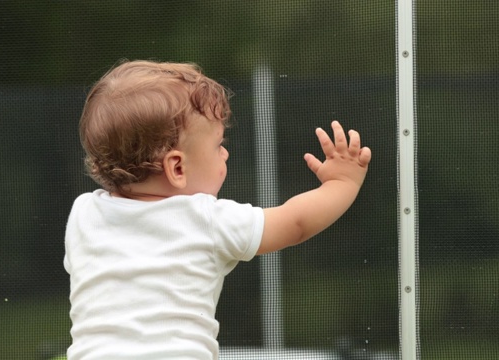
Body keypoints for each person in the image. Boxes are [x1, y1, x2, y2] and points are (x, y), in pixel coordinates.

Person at [63, 60, 371, 359]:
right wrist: (342, 183)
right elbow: (295, 224)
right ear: (177, 167)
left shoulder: (83, 214)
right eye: (217, 145)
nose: (224, 153)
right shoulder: (206, 219)